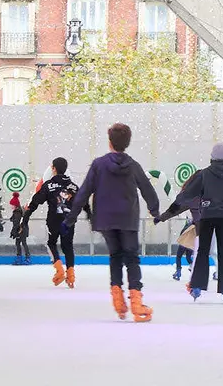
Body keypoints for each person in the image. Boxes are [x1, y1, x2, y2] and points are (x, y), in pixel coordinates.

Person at [69, 123, 160, 322]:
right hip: (128, 218)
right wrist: (155, 210)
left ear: (110, 142)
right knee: (132, 258)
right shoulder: (133, 165)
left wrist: (72, 216)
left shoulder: (98, 165)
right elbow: (147, 189)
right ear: (127, 142)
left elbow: (84, 191)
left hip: (106, 219)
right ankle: (136, 303)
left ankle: (119, 302)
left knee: (115, 256)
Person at [158, 143, 223, 303]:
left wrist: (176, 204)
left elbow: (188, 193)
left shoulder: (204, 174)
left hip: (206, 216)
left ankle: (197, 286)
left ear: (212, 156)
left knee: (203, 251)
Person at [23, 156, 87, 287]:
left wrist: (26, 218)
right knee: (68, 246)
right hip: (68, 222)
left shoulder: (49, 185)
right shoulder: (73, 187)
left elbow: (35, 201)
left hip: (53, 221)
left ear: (54, 168)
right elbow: (83, 202)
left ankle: (59, 270)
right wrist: (91, 215)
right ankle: (71, 275)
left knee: (51, 243)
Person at [8, 192, 30, 265]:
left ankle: (26, 258)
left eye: (12, 205)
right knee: (19, 243)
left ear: (15, 205)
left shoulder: (17, 212)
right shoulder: (17, 211)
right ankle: (20, 258)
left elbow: (16, 223)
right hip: (21, 229)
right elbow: (15, 221)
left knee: (22, 243)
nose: (11, 206)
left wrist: (13, 232)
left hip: (21, 230)